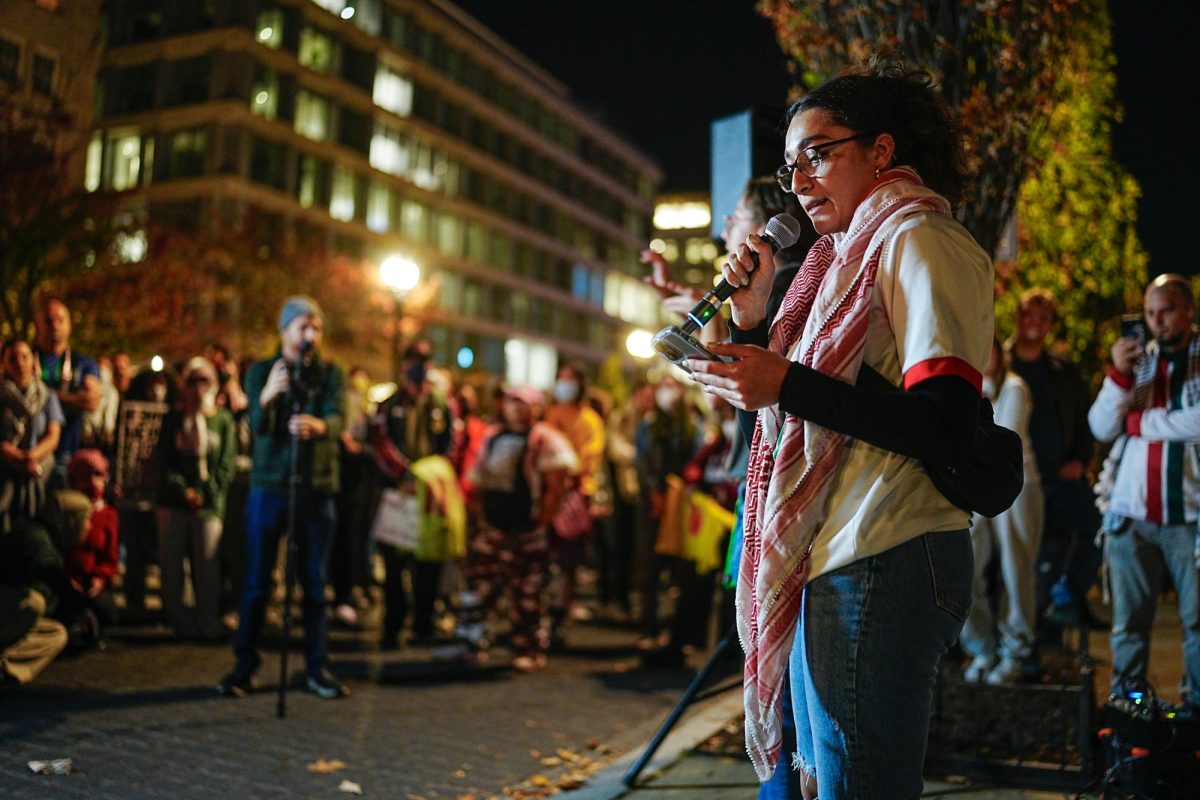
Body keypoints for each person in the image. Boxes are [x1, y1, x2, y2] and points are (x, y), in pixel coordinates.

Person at [685, 59, 991, 797]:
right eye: (792, 169)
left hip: (886, 549)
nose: (802, 182)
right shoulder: (835, 261)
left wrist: (783, 380)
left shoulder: (919, 240)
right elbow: (823, 398)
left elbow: (946, 425)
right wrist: (758, 325)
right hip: (844, 550)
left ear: (881, 151)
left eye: (819, 154)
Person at [219, 296, 348, 700]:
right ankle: (244, 665)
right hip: (270, 486)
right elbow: (256, 426)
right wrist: (268, 395)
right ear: (285, 331)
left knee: (313, 582)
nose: (310, 335)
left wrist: (321, 425)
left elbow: (339, 415)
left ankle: (316, 666)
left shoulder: (329, 373)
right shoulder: (261, 371)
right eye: (303, 326)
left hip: (315, 488)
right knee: (258, 581)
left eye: (316, 328)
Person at [1088, 274, 1200, 704]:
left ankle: (1193, 713)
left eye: (1167, 310)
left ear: (1188, 310)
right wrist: (1118, 374)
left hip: (1188, 515)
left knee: (1196, 622)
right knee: (1128, 624)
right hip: (1132, 512)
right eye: (1150, 312)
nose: (1157, 321)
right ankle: (1128, 709)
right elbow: (1101, 426)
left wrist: (1141, 425)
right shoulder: (1139, 362)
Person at [438, 385, 578, 671]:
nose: (515, 408)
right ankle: (470, 642)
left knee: (528, 592)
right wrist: (479, 514)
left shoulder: (546, 438)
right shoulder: (492, 435)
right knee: (478, 585)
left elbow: (557, 484)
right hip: (493, 528)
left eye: (523, 403)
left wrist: (541, 521)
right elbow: (477, 476)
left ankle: (530, 648)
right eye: (512, 402)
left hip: (526, 530)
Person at [1009, 289, 1104, 644]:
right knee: (1031, 554)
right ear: (1017, 317)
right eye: (1028, 315)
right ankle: (1030, 634)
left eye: (1043, 318)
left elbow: (1084, 421)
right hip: (1015, 480)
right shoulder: (999, 366)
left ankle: (1066, 600)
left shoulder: (1062, 373)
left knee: (1098, 523)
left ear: (1050, 325)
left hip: (1059, 477)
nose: (1034, 323)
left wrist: (1080, 459)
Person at [960, 338, 1044, 685]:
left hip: (1018, 485)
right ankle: (981, 646)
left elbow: (1004, 437)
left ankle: (1015, 649)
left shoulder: (1014, 388)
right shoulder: (968, 387)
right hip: (977, 485)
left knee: (1016, 567)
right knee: (969, 565)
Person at [370, 341, 454, 649]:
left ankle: (423, 624)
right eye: (414, 360)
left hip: (429, 494)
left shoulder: (440, 405)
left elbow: (450, 444)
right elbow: (380, 441)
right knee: (393, 564)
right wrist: (404, 474)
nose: (420, 366)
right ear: (404, 365)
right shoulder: (389, 404)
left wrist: (433, 476)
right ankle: (392, 624)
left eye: (425, 360)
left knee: (428, 561)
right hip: (397, 495)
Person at [153, 357, 238, 641]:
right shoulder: (174, 419)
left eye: (205, 381)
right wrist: (183, 490)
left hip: (209, 506)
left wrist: (206, 493)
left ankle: (207, 619)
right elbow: (164, 460)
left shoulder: (223, 421)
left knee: (207, 567)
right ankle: (177, 621)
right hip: (175, 503)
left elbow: (226, 463)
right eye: (193, 381)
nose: (199, 387)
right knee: (173, 565)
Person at [544, 363, 606, 644]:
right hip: (547, 494)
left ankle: (560, 613)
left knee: (568, 560)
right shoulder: (550, 414)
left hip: (574, 495)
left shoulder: (590, 420)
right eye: (561, 380)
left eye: (570, 380)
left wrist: (566, 474)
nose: (564, 385)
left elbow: (588, 459)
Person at [32, 297, 101, 482]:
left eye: (60, 319)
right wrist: (72, 398)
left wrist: (43, 394)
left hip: (68, 454)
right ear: (37, 324)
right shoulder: (23, 359)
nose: (54, 325)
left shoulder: (83, 363)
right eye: (48, 320)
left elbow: (90, 401)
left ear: (69, 325)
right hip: (30, 453)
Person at [0, 340, 64, 532]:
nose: (19, 362)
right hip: (5, 466)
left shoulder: (47, 396)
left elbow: (53, 436)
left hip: (40, 468)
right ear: (4, 362)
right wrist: (15, 457)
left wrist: (31, 457)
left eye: (24, 357)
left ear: (33, 360)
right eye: (13, 358)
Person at [58, 452, 121, 647]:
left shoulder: (108, 515)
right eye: (86, 477)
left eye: (98, 475)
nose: (93, 482)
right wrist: (67, 578)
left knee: (107, 609)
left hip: (90, 579)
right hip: (66, 579)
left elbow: (109, 558)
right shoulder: (65, 510)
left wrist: (100, 578)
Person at [0, 516, 68, 684]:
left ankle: (5, 668)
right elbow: (46, 567)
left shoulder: (59, 544)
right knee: (33, 602)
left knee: (57, 633)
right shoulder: (35, 536)